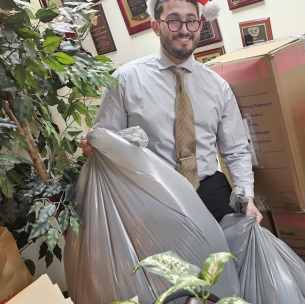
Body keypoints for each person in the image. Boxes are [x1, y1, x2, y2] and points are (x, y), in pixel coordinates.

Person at [80, 0, 263, 223]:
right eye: (174, 21)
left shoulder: (218, 86)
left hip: (210, 189)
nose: (184, 29)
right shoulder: (126, 80)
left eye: (191, 20)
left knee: (230, 256)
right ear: (156, 26)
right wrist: (94, 149)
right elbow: (106, 143)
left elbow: (236, 149)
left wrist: (248, 198)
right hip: (153, 194)